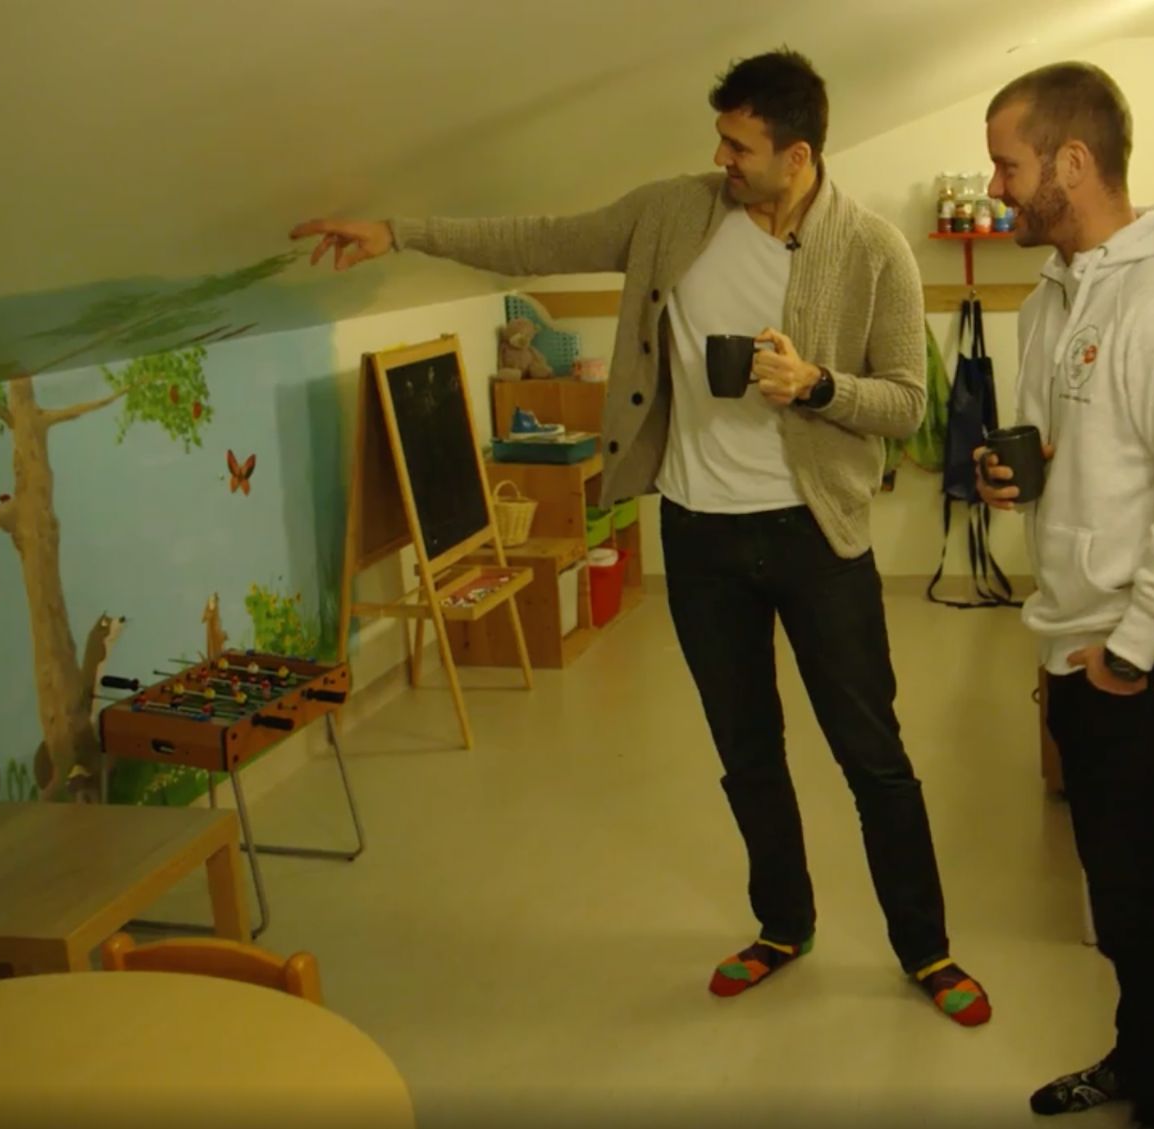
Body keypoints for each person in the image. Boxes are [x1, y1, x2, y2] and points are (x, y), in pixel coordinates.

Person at [291, 49, 992, 1028]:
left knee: (870, 754)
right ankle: (783, 924)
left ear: (796, 156)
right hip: (699, 538)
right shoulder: (672, 213)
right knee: (746, 751)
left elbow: (907, 403)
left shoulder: (873, 249)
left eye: (739, 146)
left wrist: (816, 385)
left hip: (817, 538)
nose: (720, 159)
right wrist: (399, 232)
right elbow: (542, 239)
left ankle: (926, 946)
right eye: (720, 139)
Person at [976, 62, 1154, 1129]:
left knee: (1134, 890)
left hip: (1152, 657)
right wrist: (1019, 478)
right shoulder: (1053, 297)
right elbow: (1070, 450)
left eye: (1009, 164)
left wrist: (1129, 652)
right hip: (1076, 637)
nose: (996, 185)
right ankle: (1143, 1059)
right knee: (1116, 887)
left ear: (1074, 162)